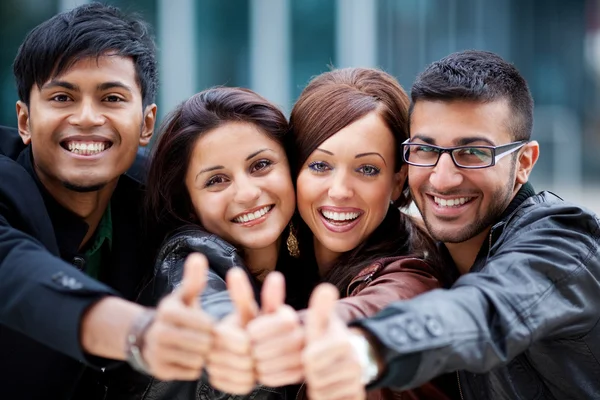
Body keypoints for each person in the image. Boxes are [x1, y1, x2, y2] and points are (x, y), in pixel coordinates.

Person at [301, 50, 600, 400]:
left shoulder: (563, 243)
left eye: (473, 153)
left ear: (524, 162)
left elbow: (483, 311)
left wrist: (367, 348)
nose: (442, 180)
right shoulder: (430, 252)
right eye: (426, 150)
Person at [0, 4, 214, 399]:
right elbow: (13, 272)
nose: (86, 117)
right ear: (25, 121)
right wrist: (141, 334)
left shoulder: (163, 194)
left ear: (146, 123)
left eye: (112, 98)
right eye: (62, 97)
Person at [229, 68, 454, 399]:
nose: (339, 191)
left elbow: (383, 310)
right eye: (320, 165)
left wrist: (301, 334)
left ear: (396, 180)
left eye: (367, 169)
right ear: (293, 169)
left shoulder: (412, 275)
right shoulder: (286, 256)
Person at [140, 86, 303, 399]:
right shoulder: (187, 260)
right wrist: (229, 336)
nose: (246, 193)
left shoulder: (305, 262)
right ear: (188, 203)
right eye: (216, 180)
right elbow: (209, 303)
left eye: (261, 165)